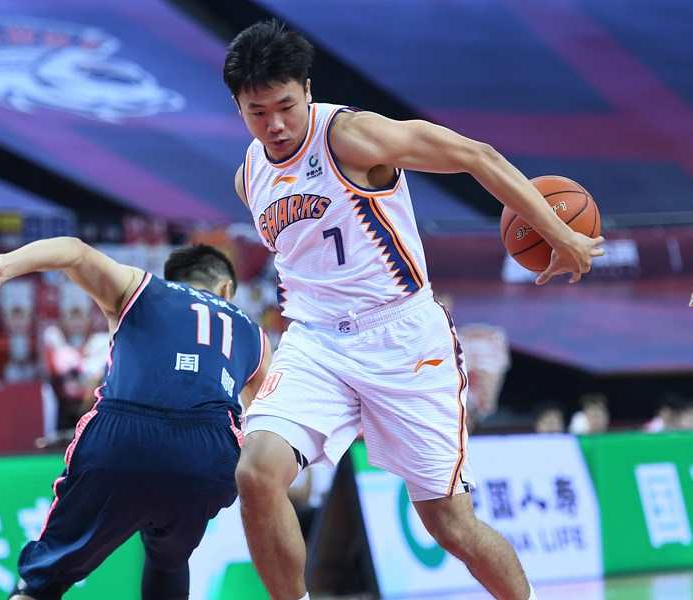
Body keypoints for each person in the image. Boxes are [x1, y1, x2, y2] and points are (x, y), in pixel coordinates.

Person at [222, 19, 604, 600]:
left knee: (449, 524)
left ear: (307, 89)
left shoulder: (352, 136)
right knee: (255, 473)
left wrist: (560, 232)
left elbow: (476, 155)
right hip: (316, 344)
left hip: (401, 337)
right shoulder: (249, 176)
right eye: (257, 112)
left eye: (285, 106)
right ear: (239, 108)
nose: (274, 124)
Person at [0, 238, 271, 600]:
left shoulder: (144, 288)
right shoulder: (255, 334)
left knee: (44, 580)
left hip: (124, 436)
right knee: (170, 556)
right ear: (227, 289)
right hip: (210, 456)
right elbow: (265, 425)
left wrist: (3, 266)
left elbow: (74, 252)